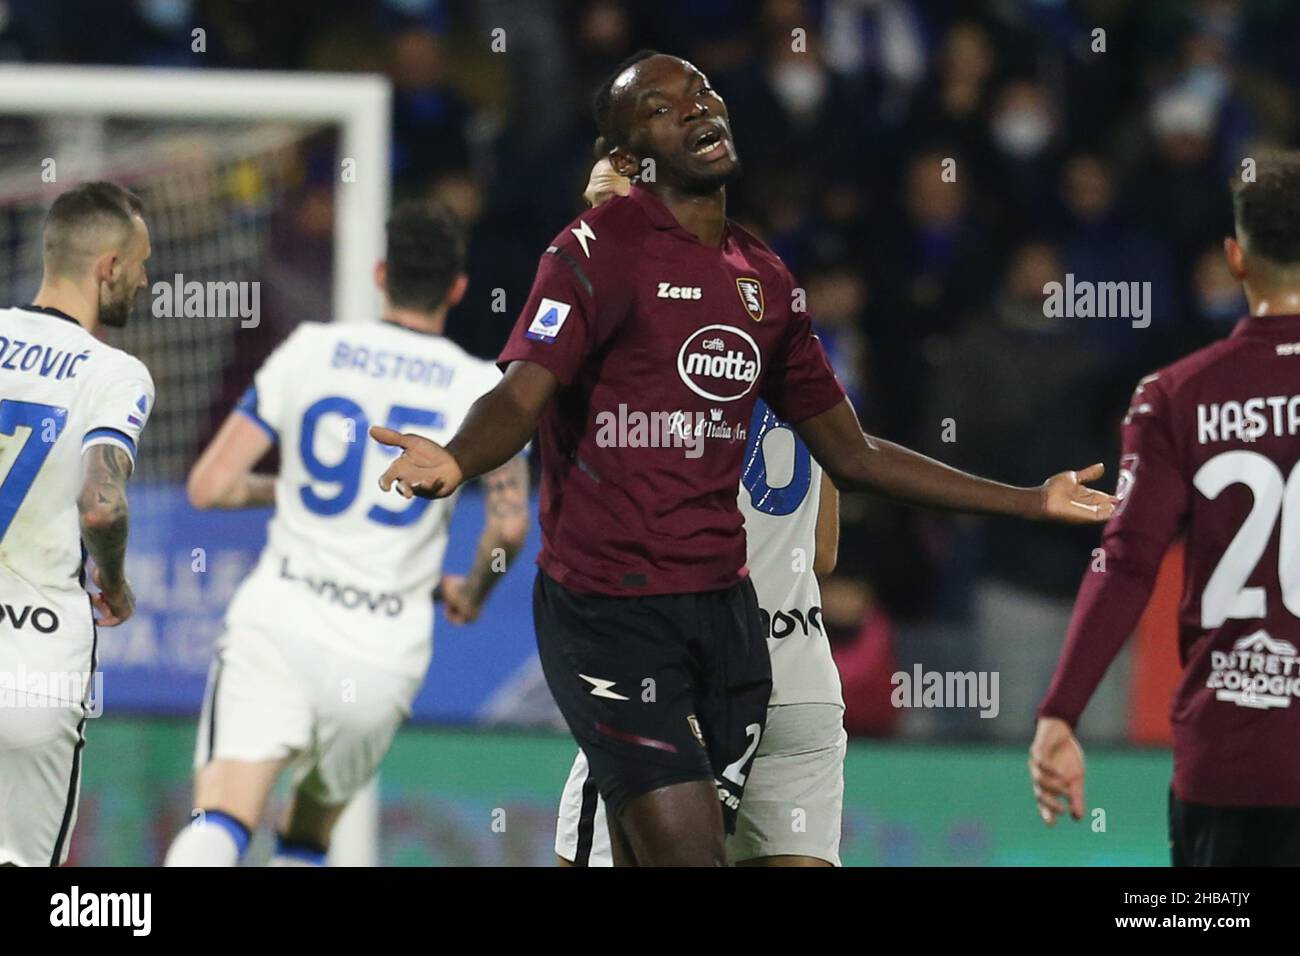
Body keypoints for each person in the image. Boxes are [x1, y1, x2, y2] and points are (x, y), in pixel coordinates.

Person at [375, 51, 1114, 867]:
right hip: (610, 616)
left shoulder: (764, 278)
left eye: (702, 92)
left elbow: (854, 453)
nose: (696, 108)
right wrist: (455, 457)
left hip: (727, 622)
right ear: (627, 160)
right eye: (662, 107)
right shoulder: (591, 250)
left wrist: (1025, 499)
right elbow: (520, 394)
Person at [163, 202, 528, 866]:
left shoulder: (311, 349)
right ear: (458, 288)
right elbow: (507, 525)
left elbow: (209, 486)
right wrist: (474, 591)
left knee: (222, 814)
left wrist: (288, 488)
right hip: (382, 646)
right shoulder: (483, 389)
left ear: (380, 273)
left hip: (283, 617)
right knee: (307, 833)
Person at [1030, 152, 1300, 866]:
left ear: (1236, 258)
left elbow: (1126, 561)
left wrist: (1061, 711)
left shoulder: (1175, 394)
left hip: (1228, 761)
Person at [0, 182, 154, 866]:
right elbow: (102, 503)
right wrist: (113, 580)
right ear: (109, 269)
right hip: (35, 663)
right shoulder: (114, 373)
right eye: (142, 264)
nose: (146, 280)